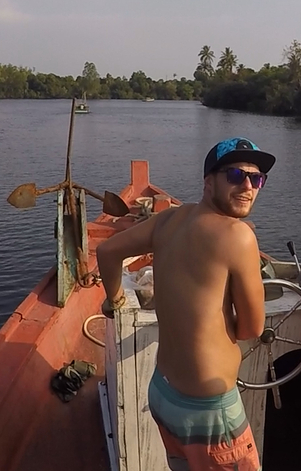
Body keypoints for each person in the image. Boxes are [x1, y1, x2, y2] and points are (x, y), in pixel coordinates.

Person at [97, 137, 274, 471]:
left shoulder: (169, 220)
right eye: (236, 175)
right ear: (209, 182)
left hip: (164, 393)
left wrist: (114, 300)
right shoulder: (239, 236)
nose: (248, 186)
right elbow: (253, 328)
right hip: (210, 410)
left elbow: (108, 252)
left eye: (257, 178)